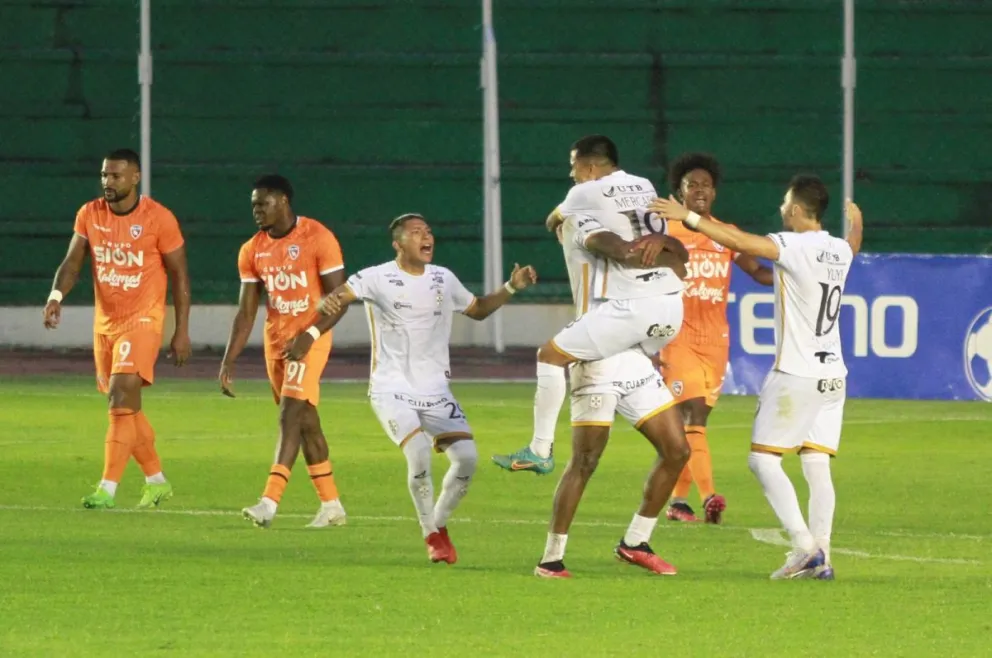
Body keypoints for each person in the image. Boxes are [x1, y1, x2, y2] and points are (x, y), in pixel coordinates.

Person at [291, 212, 537, 564]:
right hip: (391, 388)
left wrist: (511, 287)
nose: (427, 237)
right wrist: (315, 323)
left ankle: (438, 524)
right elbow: (338, 298)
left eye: (429, 231)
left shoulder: (443, 278)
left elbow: (479, 309)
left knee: (467, 459)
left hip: (436, 389)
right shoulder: (377, 276)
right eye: (417, 232)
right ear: (398, 244)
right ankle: (430, 535)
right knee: (419, 451)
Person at [651, 175, 864, 580]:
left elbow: (743, 244)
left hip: (797, 374)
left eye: (786, 202)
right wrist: (856, 223)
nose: (781, 208)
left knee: (762, 460)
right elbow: (852, 247)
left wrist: (690, 217)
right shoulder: (837, 248)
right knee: (817, 466)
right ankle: (824, 556)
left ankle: (804, 548)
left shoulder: (794, 245)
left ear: (798, 210)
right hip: (834, 375)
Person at [492, 134, 688, 475]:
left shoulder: (583, 193)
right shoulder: (643, 184)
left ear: (590, 166)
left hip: (629, 303)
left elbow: (553, 219)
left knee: (550, 356)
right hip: (668, 300)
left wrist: (565, 222)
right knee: (626, 363)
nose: (572, 174)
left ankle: (540, 449)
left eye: (574, 167)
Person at [533, 187, 691, 578]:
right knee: (585, 462)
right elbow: (565, 222)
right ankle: (551, 558)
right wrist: (654, 242)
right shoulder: (582, 223)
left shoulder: (634, 230)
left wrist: (663, 240)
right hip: (596, 355)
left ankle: (635, 542)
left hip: (633, 355)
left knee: (677, 450)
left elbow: (680, 263)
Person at [43, 148, 191, 509]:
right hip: (106, 323)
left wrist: (182, 330)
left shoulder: (159, 218)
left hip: (143, 319)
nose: (108, 182)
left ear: (135, 178)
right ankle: (156, 481)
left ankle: (106, 488)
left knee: (119, 396)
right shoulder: (89, 214)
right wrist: (56, 295)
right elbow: (72, 262)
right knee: (129, 409)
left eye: (116, 176)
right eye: (105, 175)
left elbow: (180, 275)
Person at [219, 175, 348, 529]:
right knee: (306, 422)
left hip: (310, 340)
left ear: (284, 202)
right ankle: (332, 504)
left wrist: (309, 333)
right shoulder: (252, 250)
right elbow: (246, 311)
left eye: (263, 203)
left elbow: (340, 300)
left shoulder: (318, 237)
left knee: (288, 415)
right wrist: (229, 359)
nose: (257, 210)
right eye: (254, 205)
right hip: (277, 343)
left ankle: (269, 501)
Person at [660, 153, 773, 525]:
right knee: (692, 414)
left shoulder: (724, 234)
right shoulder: (665, 229)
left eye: (706, 185)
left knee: (695, 422)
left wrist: (799, 277)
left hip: (716, 338)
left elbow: (756, 270)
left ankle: (678, 502)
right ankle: (709, 495)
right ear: (680, 191)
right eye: (692, 184)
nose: (700, 190)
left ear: (715, 192)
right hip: (678, 334)